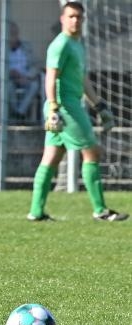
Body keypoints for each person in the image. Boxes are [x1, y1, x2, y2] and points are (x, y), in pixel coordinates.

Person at [27, 1, 128, 222]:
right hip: (65, 108)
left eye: (79, 17)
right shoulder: (60, 45)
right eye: (71, 16)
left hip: (69, 105)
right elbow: (50, 77)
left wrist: (99, 105)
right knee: (92, 152)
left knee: (52, 157)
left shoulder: (77, 45)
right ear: (62, 19)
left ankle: (36, 212)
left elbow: (82, 80)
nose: (75, 20)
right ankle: (100, 210)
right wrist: (54, 108)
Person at [0, 21, 41, 121]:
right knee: (8, 86)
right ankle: (15, 114)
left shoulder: (26, 46)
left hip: (24, 78)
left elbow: (36, 64)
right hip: (5, 79)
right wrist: (9, 73)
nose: (12, 36)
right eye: (10, 33)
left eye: (15, 33)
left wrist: (27, 76)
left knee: (34, 85)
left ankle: (19, 112)